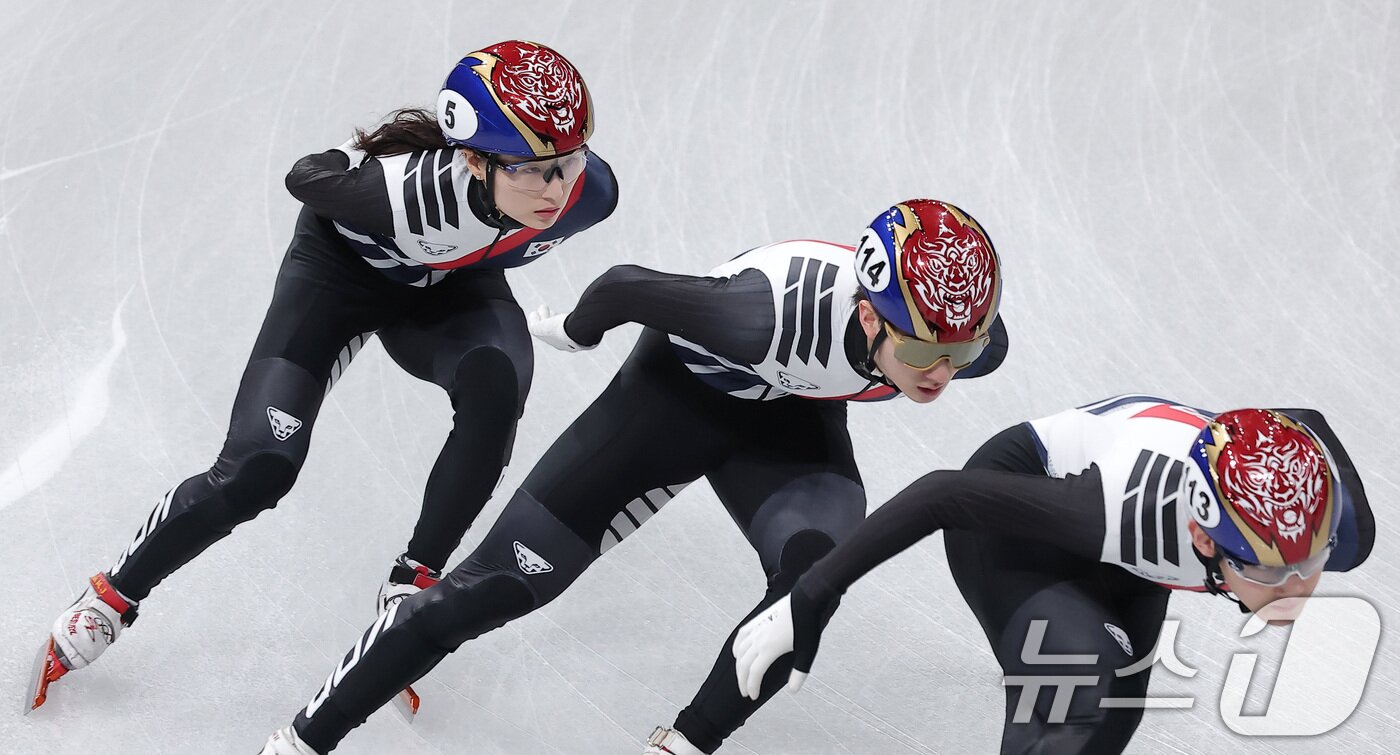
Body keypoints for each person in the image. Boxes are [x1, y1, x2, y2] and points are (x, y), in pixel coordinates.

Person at [256, 198, 1010, 754]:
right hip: (673, 398)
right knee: (500, 584)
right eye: (921, 357)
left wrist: (805, 598)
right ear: (870, 318)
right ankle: (299, 740)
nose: (942, 375)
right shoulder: (762, 314)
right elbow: (624, 285)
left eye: (962, 355)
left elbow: (950, 344)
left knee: (810, 589)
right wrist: (574, 330)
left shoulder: (961, 331)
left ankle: (681, 744)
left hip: (790, 427)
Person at [28, 40, 619, 712]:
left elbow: (537, 202)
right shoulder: (402, 194)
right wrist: (361, 158)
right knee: (261, 466)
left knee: (498, 385)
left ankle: (412, 582)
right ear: (473, 159)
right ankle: (112, 594)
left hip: (449, 290)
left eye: (568, 161)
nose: (556, 188)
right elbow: (304, 176)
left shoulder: (590, 193)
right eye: (533, 171)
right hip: (340, 281)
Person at [732, 395, 1375, 753]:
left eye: (1310, 563)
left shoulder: (1328, 522)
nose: (1297, 589)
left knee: (1107, 723)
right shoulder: (1128, 511)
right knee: (1086, 694)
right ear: (1205, 536)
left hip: (1127, 553)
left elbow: (1308, 421)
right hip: (1012, 510)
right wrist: (810, 595)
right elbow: (940, 494)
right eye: (1270, 570)